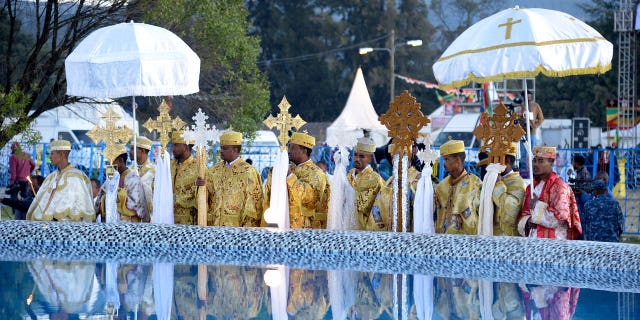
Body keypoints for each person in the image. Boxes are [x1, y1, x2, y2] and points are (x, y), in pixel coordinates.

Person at [264, 132, 330, 229]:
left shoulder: (317, 174)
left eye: (292, 148)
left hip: (304, 228)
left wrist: (290, 175)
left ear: (304, 151)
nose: (289, 151)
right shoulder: (288, 168)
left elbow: (309, 198)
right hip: (281, 223)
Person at [197, 130, 263, 227]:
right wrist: (201, 186)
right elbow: (206, 198)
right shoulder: (214, 170)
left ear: (235, 150)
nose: (221, 150)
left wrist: (247, 230)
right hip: (214, 226)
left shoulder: (248, 172)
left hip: (236, 228)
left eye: (225, 148)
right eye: (221, 147)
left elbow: (254, 204)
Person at [518, 146, 582, 239]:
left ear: (551, 162)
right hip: (533, 241)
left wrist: (536, 207)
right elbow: (524, 214)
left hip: (554, 242)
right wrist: (527, 222)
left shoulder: (560, 186)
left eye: (540, 161)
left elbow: (559, 218)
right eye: (534, 160)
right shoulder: (532, 187)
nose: (535, 164)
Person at [26, 139, 95, 221]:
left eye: (52, 153)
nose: (49, 157)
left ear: (62, 155)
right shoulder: (51, 177)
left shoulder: (77, 177)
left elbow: (77, 205)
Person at [434, 140, 482, 234]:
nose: (443, 164)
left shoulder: (475, 184)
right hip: (442, 240)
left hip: (468, 241)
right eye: (444, 159)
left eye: (447, 159)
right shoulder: (441, 186)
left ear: (458, 160)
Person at [347, 137, 384, 230]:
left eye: (361, 156)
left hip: (363, 227)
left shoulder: (375, 179)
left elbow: (366, 206)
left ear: (370, 159)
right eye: (355, 155)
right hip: (346, 224)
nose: (357, 159)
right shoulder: (349, 175)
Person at [492, 144, 527, 236]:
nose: (491, 164)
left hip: (508, 237)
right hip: (490, 234)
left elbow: (509, 212)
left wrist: (499, 185)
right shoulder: (491, 180)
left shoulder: (519, 183)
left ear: (506, 161)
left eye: (494, 160)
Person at [111, 145, 149, 222]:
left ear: (121, 161)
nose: (109, 166)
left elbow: (138, 205)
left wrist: (119, 195)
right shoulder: (110, 179)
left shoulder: (133, 179)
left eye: (111, 162)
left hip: (128, 224)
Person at [170, 131, 199, 225]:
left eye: (176, 145)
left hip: (188, 220)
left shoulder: (198, 167)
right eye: (173, 145)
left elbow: (197, 193)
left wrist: (174, 199)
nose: (173, 149)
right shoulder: (169, 165)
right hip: (168, 217)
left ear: (186, 147)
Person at [8, 141, 36, 219]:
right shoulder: (26, 155)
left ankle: (15, 215)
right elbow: (33, 165)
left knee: (13, 197)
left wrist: (12, 183)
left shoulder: (13, 157)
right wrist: (29, 172)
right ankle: (26, 213)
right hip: (26, 180)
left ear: (12, 148)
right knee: (26, 198)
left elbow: (13, 171)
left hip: (17, 181)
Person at [129, 136, 155, 217]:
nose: (130, 152)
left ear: (143, 151)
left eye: (133, 149)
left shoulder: (154, 170)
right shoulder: (129, 170)